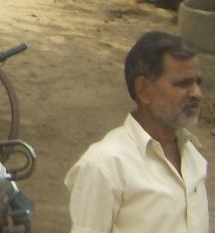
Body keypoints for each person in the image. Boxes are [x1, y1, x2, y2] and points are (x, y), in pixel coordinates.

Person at [64, 30, 207, 233]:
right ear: (144, 90)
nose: (197, 94)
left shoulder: (190, 152)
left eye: (198, 83)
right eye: (183, 83)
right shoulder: (105, 165)